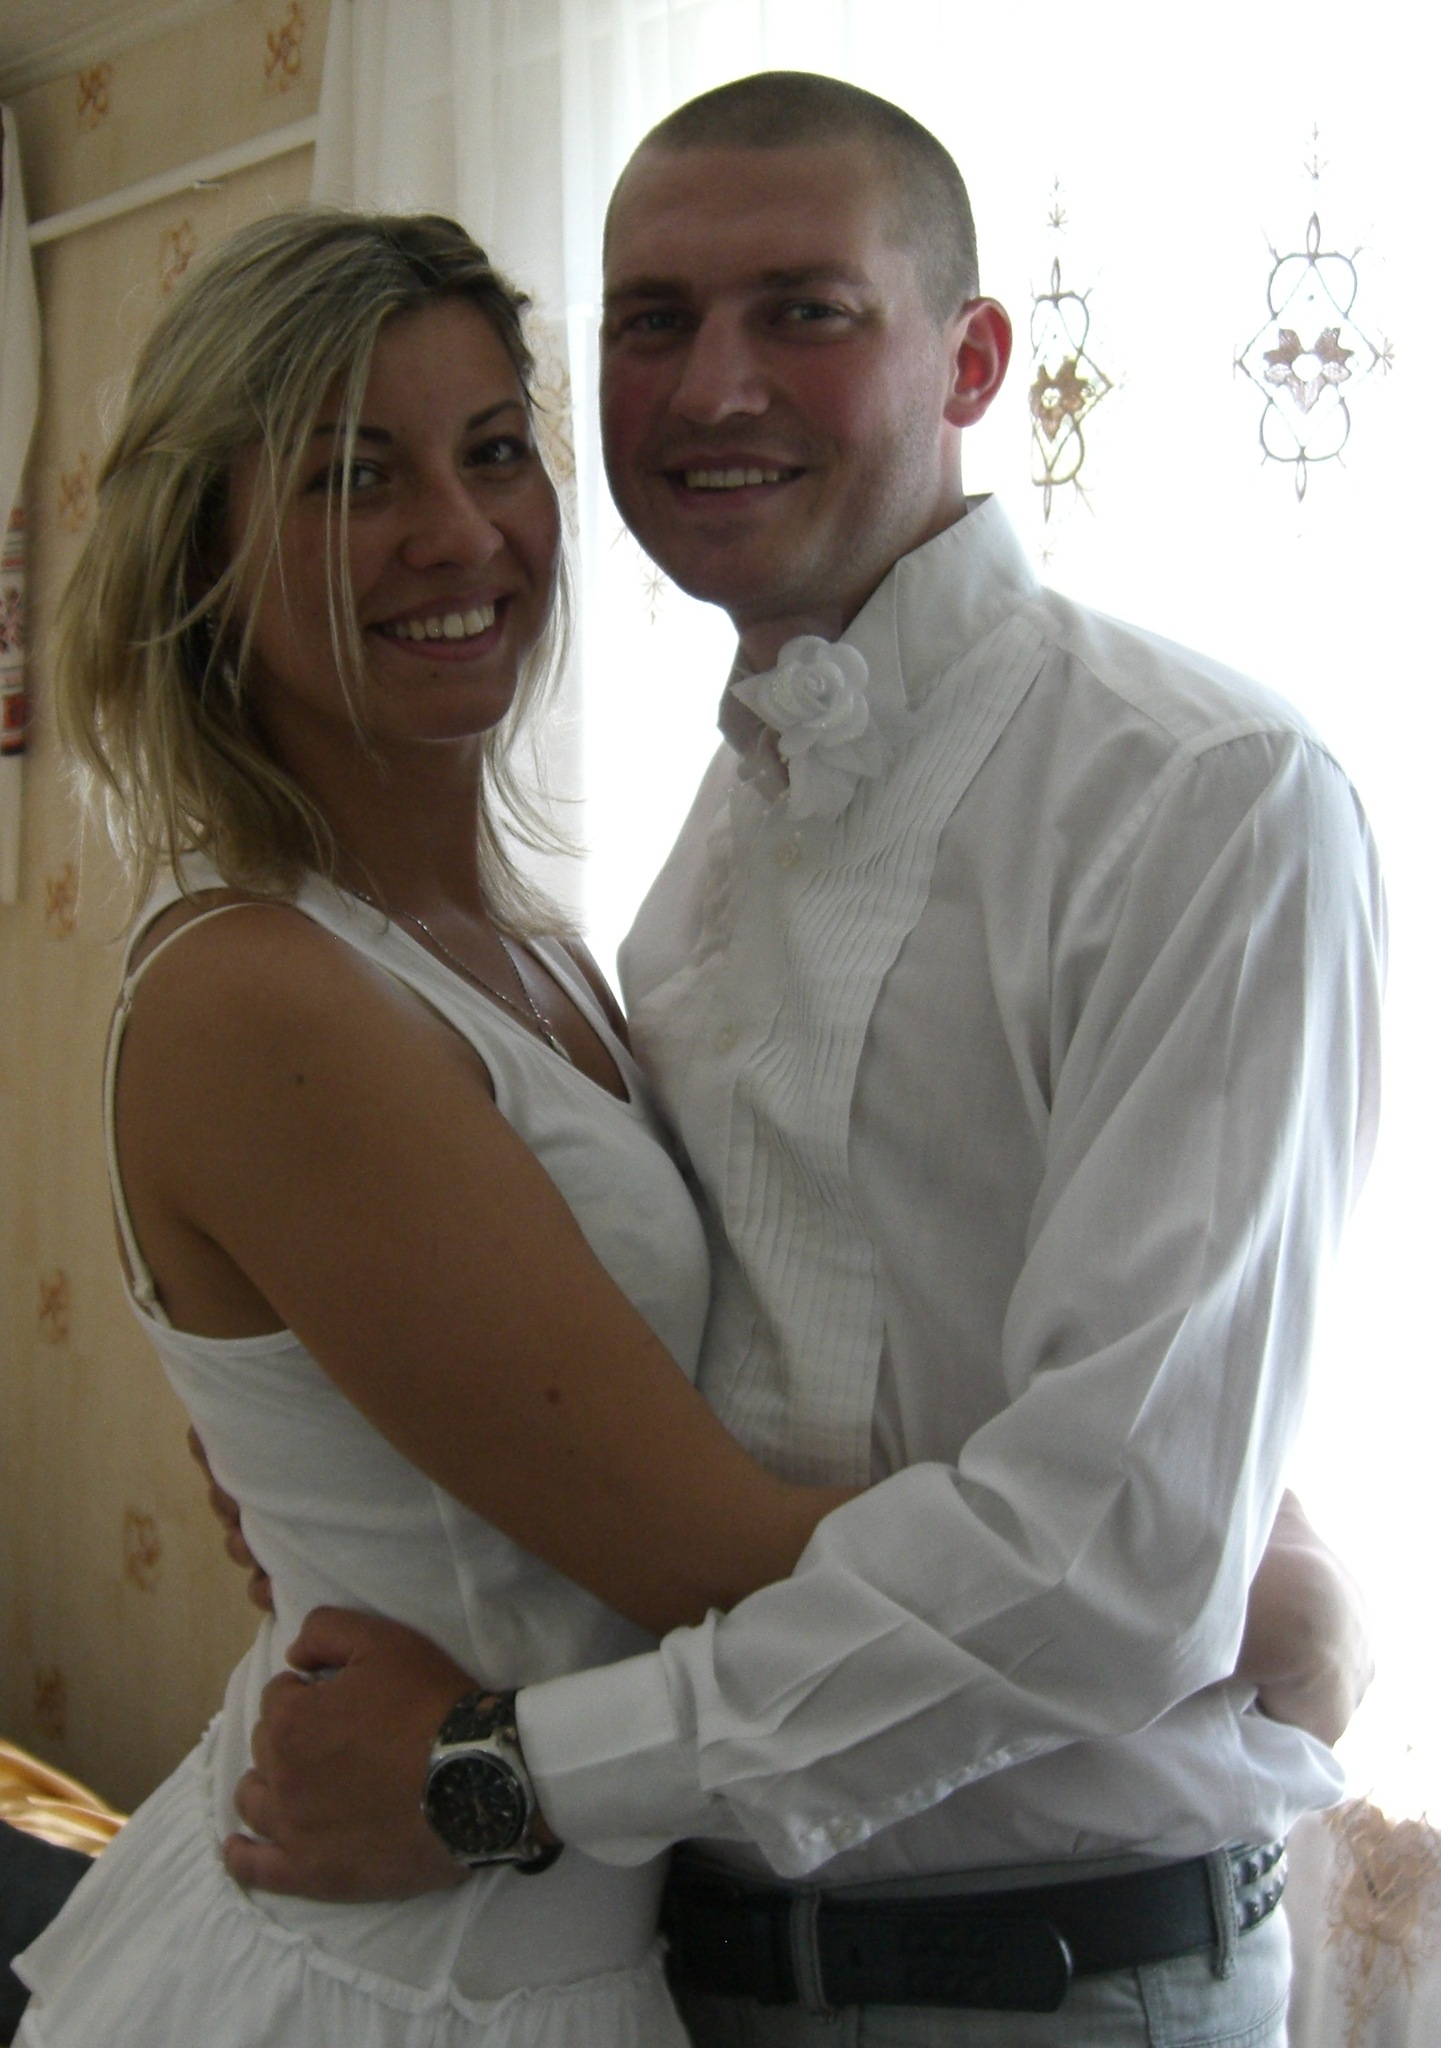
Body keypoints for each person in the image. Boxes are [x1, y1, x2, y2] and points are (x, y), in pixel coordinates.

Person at [215, 73, 1385, 2048]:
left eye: (804, 311)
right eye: (653, 322)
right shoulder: (692, 866)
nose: (713, 386)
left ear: (972, 359)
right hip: (678, 1964)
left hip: (1052, 1982)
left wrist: (498, 1774)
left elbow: (1113, 1554)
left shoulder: (1201, 795)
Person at [10, 205, 876, 2047]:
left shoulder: (529, 943)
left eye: (492, 451)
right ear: (202, 546)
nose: (459, 532)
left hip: (546, 1936)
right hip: (402, 1985)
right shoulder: (264, 991)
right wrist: (1177, 1571)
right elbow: (707, 1561)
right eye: (352, 477)